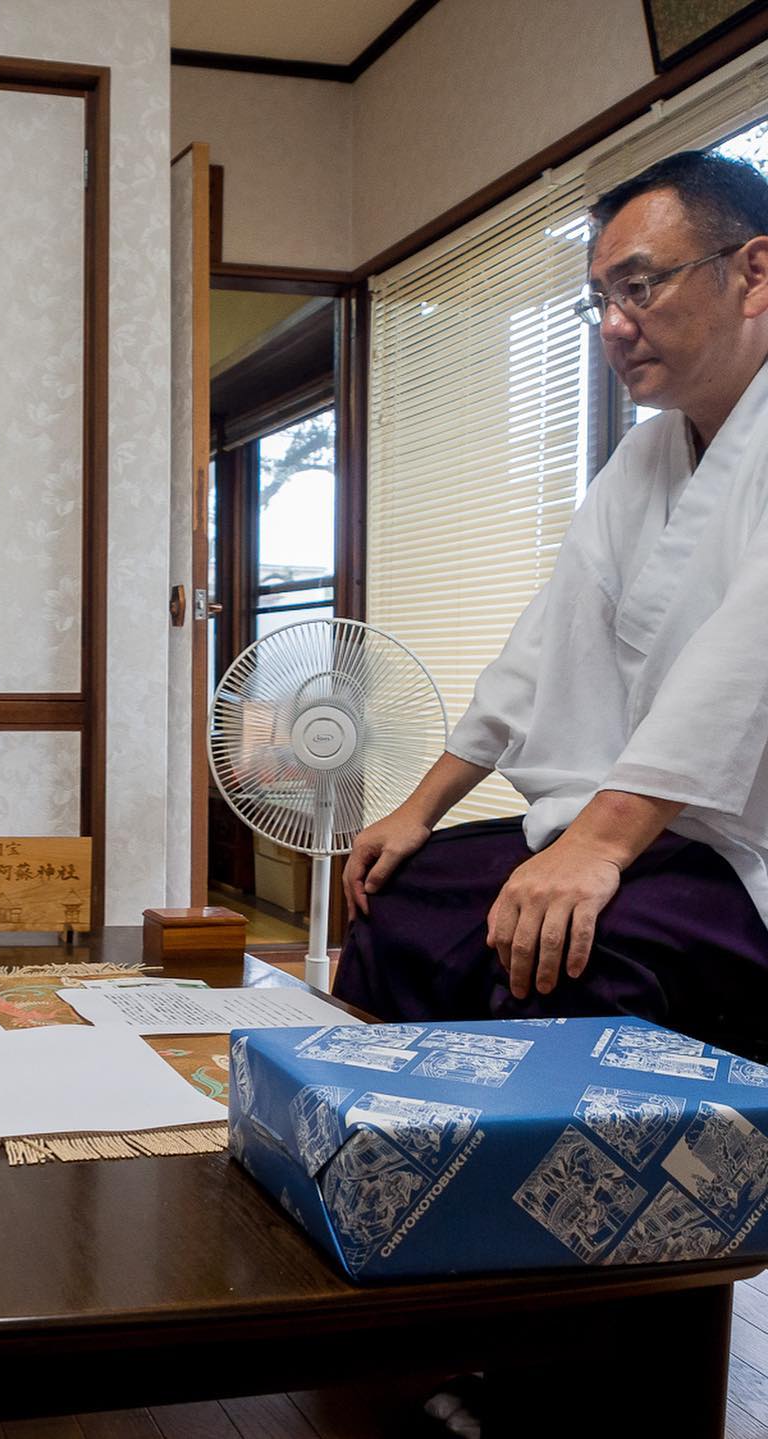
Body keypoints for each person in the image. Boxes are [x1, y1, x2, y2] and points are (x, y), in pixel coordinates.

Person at [335, 149, 768, 1063]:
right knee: (402, 896)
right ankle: (370, 1142)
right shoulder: (644, 459)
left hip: (744, 846)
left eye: (640, 287)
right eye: (601, 299)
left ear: (753, 273)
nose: (615, 325)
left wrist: (597, 848)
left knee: (569, 948)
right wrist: (420, 807)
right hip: (651, 824)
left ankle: (517, 1194)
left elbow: (742, 667)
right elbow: (544, 644)